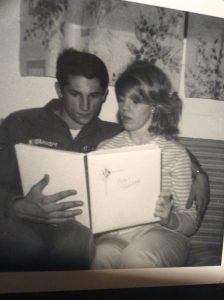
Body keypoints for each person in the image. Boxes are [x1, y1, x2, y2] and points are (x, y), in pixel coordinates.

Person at [0, 49, 208, 271]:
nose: (85, 106)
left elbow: (162, 145)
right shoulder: (21, 123)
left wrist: (198, 172)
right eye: (75, 94)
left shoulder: (109, 133)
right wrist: (19, 206)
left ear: (104, 96)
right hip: (18, 221)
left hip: (73, 229)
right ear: (59, 90)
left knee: (78, 243)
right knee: (31, 249)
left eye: (94, 96)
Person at [91, 61, 202, 269]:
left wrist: (169, 218)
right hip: (117, 235)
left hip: (164, 234)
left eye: (136, 101)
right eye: (122, 100)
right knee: (100, 259)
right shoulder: (105, 150)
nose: (125, 108)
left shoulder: (174, 154)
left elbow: (190, 221)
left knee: (136, 259)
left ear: (155, 105)